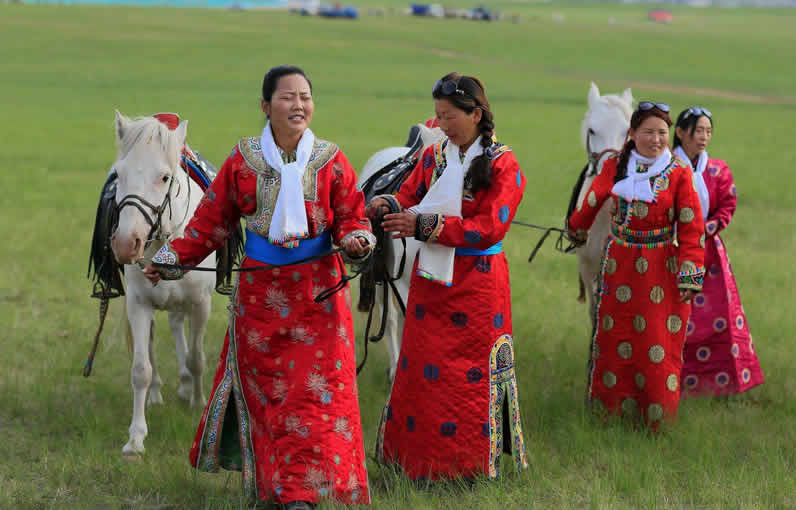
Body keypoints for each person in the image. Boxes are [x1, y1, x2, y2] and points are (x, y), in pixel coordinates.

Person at [144, 65, 374, 509]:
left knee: (317, 397)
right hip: (261, 306)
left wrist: (356, 239)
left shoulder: (331, 159)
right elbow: (211, 222)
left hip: (320, 300)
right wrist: (171, 259)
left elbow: (352, 214)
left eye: (305, 96)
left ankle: (309, 492)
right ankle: (285, 491)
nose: (298, 105)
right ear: (266, 106)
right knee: (275, 400)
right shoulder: (243, 160)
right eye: (287, 97)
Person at [367, 72, 528, 480]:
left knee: (470, 378)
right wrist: (388, 204)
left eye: (451, 116)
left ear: (476, 114)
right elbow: (410, 194)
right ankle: (420, 464)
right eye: (438, 116)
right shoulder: (434, 155)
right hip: (432, 284)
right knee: (424, 371)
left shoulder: (503, 164)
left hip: (479, 284)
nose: (442, 124)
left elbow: (491, 227)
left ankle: (469, 468)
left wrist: (425, 228)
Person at [567, 101, 705, 431]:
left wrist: (690, 273)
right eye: (648, 132)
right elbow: (592, 200)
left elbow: (691, 227)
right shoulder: (616, 166)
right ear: (632, 134)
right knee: (615, 337)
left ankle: (654, 421)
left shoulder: (678, 174)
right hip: (619, 266)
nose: (656, 140)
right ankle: (610, 414)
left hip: (660, 267)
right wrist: (576, 227)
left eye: (662, 133)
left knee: (656, 342)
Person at [673, 107, 764, 397]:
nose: (703, 137)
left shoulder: (718, 170)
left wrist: (706, 228)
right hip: (671, 250)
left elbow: (727, 205)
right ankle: (671, 380)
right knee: (674, 314)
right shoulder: (666, 167)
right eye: (698, 131)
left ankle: (717, 384)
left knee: (717, 316)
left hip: (708, 250)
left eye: (708, 131)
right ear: (680, 132)